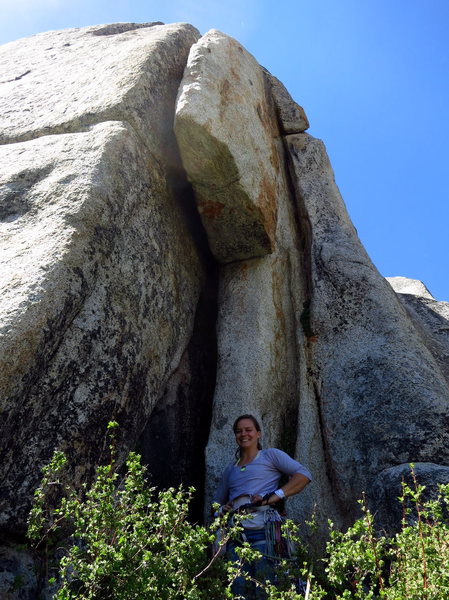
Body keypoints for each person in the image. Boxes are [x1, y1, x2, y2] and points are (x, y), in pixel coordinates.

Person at [213, 414, 312, 599]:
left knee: (266, 588)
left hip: (264, 533)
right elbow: (216, 502)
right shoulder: (230, 469)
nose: (244, 434)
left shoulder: (270, 455)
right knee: (239, 590)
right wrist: (221, 510)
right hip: (236, 537)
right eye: (239, 431)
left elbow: (304, 475)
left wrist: (274, 496)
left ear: (258, 433)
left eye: (248, 430)